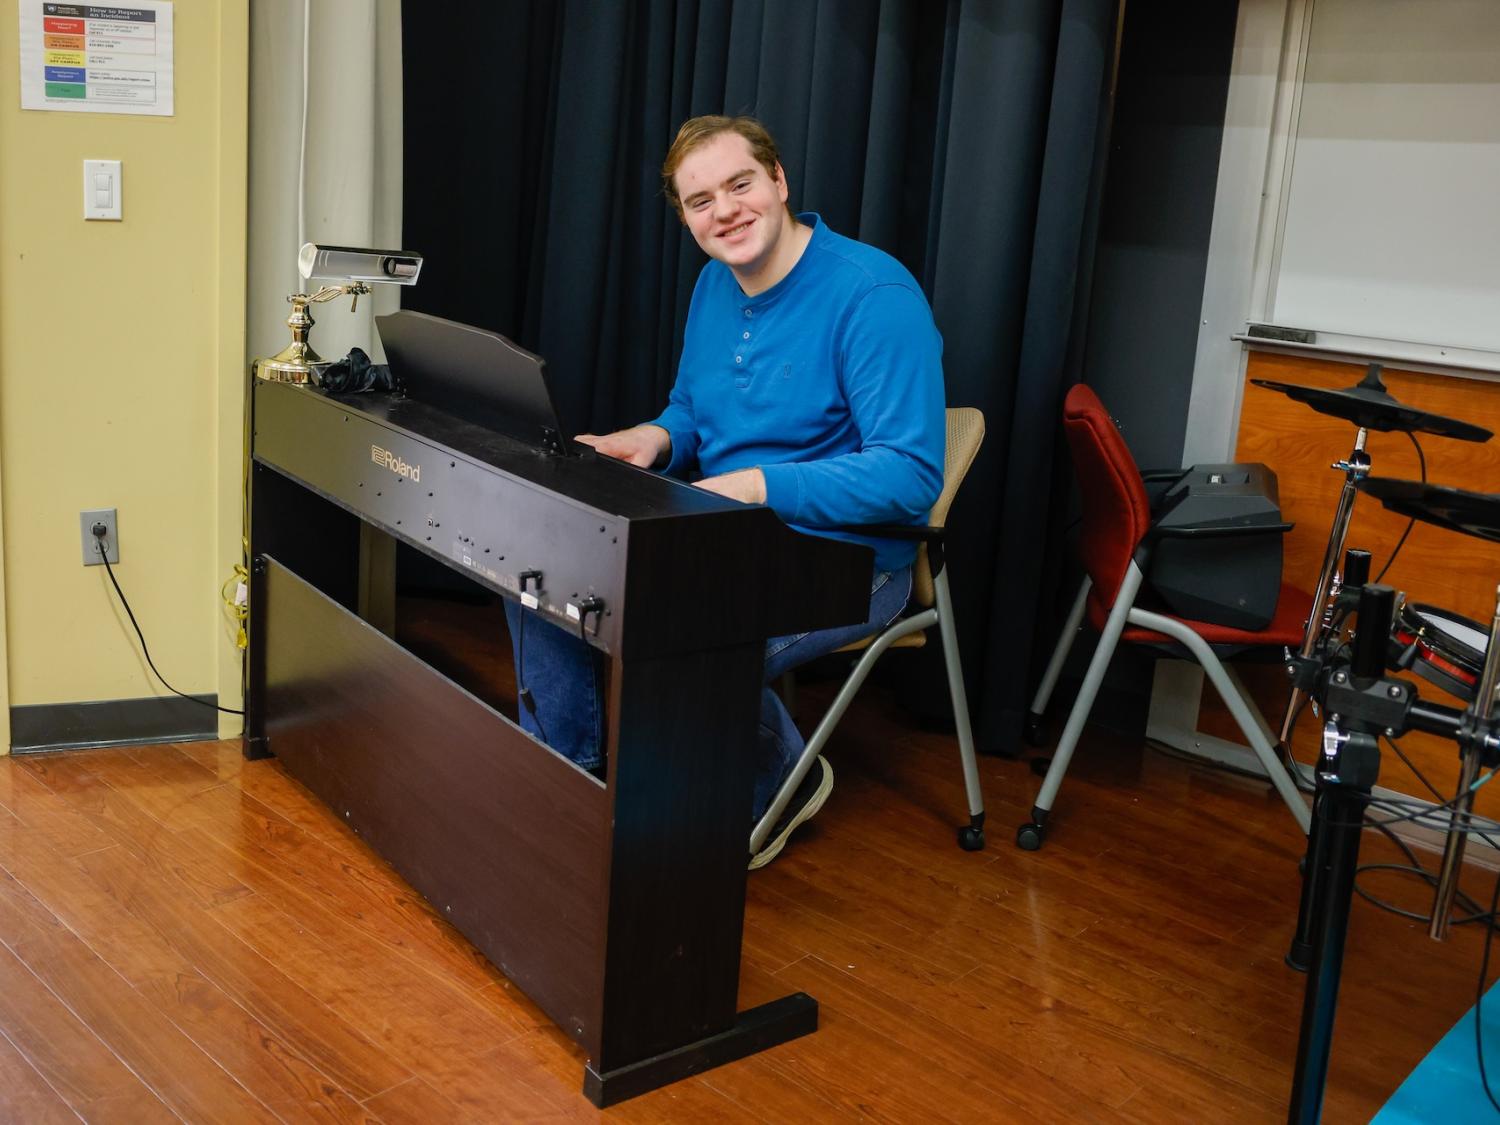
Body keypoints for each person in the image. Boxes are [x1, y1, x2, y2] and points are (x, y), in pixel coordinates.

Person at [506, 114, 945, 868]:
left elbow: (911, 475)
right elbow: (694, 407)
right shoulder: (716, 282)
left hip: (846, 560)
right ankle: (568, 785)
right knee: (545, 571)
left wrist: (756, 484)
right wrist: (657, 437)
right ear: (685, 218)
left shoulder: (873, 295)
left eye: (740, 184)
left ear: (778, 182)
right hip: (722, 528)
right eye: (700, 200)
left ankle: (778, 779)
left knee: (668, 633)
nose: (725, 211)